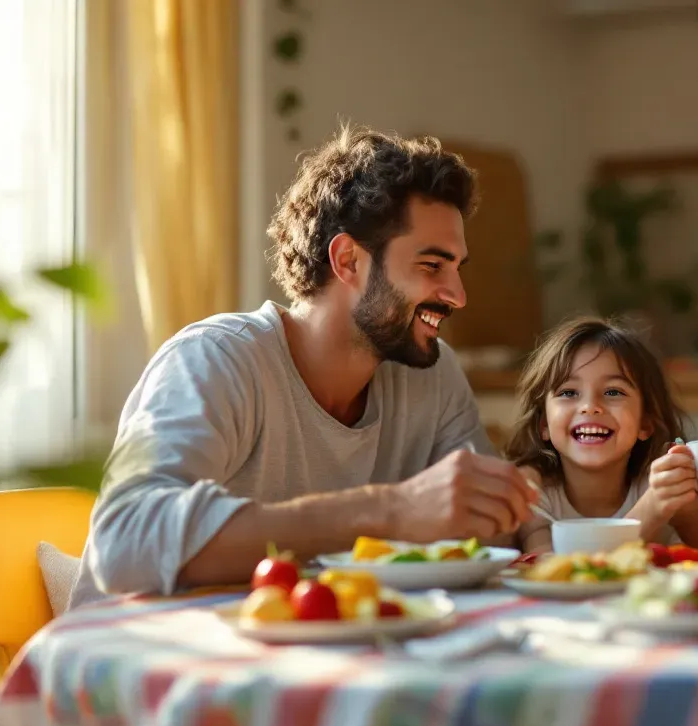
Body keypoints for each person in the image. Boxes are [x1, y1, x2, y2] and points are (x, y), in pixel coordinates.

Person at [70, 125, 536, 608]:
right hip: (140, 649)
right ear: (348, 260)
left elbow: (494, 526)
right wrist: (390, 511)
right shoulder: (215, 360)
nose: (458, 296)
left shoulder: (432, 375)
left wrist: (520, 513)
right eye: (432, 266)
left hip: (311, 645)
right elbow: (123, 540)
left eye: (457, 268)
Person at [503, 317, 698, 553]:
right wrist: (650, 510)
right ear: (544, 423)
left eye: (613, 392)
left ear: (645, 422)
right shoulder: (531, 488)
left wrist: (689, 509)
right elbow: (547, 564)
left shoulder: (662, 483)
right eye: (569, 392)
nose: (590, 407)